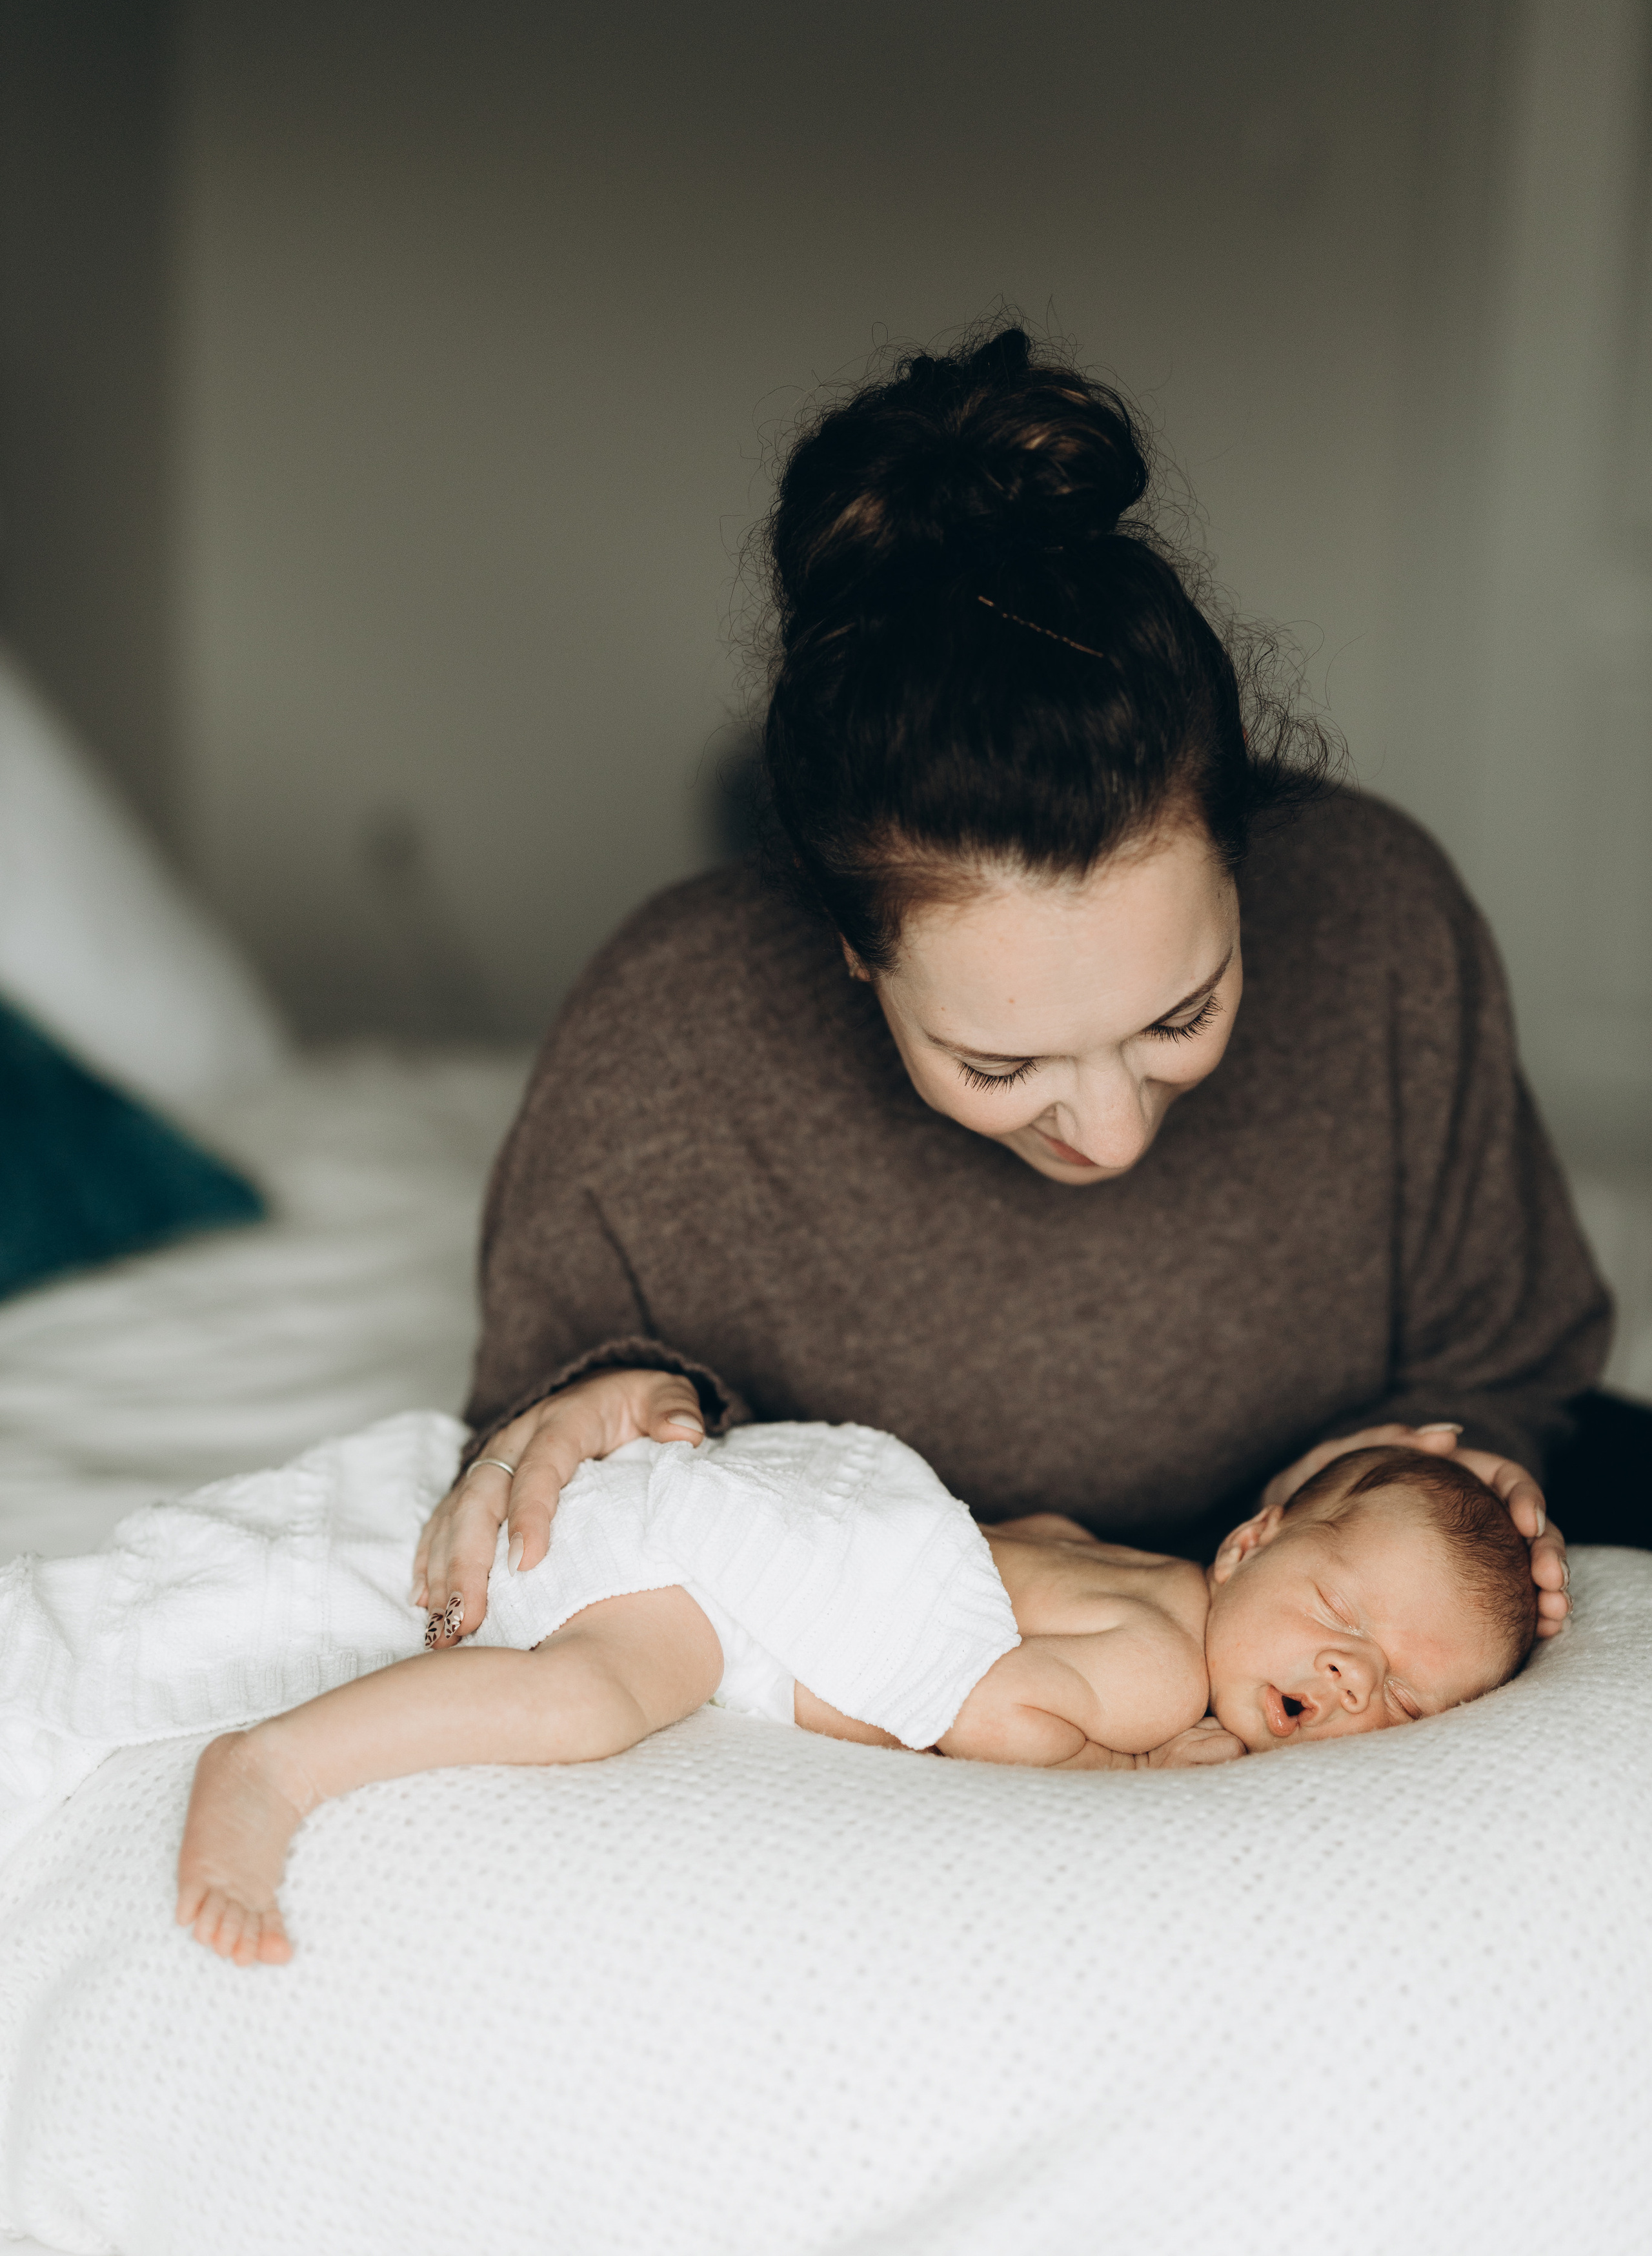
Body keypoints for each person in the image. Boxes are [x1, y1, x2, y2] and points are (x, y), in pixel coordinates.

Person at [413, 323, 1607, 1649]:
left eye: (1180, 1014)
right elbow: (525, 1462)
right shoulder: (663, 1038)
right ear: (853, 949)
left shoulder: (1382, 919)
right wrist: (611, 1414)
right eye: (999, 1066)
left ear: (1240, 849)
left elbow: (1505, 1353)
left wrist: (1430, 1469)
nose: (1109, 1132)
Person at [176, 1437, 1535, 1966]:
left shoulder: (1130, 1558)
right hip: (726, 1591)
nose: (1353, 1676)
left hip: (740, 1501)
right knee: (581, 1705)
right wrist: (1128, 1782)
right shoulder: (1159, 1670)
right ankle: (274, 1766)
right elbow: (988, 1718)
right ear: (1249, 1544)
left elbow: (1005, 1534)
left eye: (1404, 1703)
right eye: (1340, 1618)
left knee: (586, 1689)